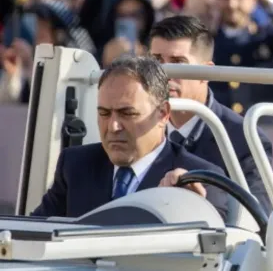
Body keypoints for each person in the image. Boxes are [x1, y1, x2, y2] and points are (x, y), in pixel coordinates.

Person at [30, 56, 230, 219]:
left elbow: (208, 257)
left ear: (163, 114)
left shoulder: (200, 179)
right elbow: (33, 235)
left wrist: (185, 207)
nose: (113, 126)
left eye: (127, 113)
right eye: (104, 113)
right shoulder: (74, 166)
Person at [148, 15, 273, 213]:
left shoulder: (244, 139)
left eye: (178, 62)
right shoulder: (136, 127)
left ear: (206, 73)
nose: (164, 73)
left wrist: (205, 201)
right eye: (156, 61)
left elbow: (258, 219)